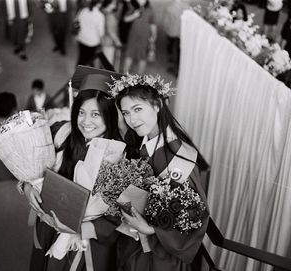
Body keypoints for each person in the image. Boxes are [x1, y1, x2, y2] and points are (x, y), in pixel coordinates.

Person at [24, 68, 122, 271]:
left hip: (84, 242)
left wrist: (80, 230)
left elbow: (117, 218)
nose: (86, 122)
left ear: (110, 115)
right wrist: (27, 187)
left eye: (96, 114)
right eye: (81, 112)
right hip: (48, 225)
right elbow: (30, 167)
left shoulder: (118, 154)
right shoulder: (61, 132)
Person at [113, 74, 209, 270]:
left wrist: (150, 229)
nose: (132, 119)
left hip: (160, 258)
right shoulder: (141, 144)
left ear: (158, 105)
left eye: (138, 109)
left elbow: (196, 216)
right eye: (126, 113)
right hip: (134, 245)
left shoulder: (179, 157)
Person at [122, 0, 157, 74]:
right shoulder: (133, 8)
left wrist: (153, 36)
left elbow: (153, 25)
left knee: (142, 56)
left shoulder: (150, 10)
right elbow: (125, 19)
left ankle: (139, 78)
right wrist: (134, 15)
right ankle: (124, 75)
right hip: (133, 36)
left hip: (145, 36)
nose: (141, 1)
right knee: (129, 54)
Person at [75, 0, 105, 66]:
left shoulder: (83, 10)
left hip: (81, 38)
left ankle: (78, 73)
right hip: (92, 42)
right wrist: (102, 44)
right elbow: (101, 32)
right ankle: (85, 74)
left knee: (81, 58)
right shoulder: (100, 15)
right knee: (90, 60)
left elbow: (76, 21)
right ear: (99, 4)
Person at [101, 0, 122, 67]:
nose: (115, 5)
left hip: (102, 39)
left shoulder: (102, 11)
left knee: (104, 60)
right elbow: (110, 31)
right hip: (109, 41)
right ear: (108, 4)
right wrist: (117, 41)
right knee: (108, 62)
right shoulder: (109, 15)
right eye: (114, 3)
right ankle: (106, 76)